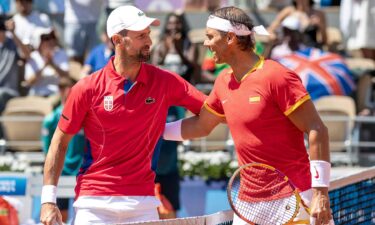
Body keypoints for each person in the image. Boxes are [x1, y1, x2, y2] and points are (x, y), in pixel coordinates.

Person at [164, 6, 333, 225]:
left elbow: (317, 129)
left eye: (210, 37)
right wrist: (152, 131)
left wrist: (321, 193)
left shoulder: (277, 76)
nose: (205, 44)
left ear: (231, 38)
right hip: (247, 205)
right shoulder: (223, 81)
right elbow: (201, 126)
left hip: (294, 196)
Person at [39, 5, 206, 225]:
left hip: (143, 204)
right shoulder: (86, 88)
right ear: (117, 40)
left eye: (148, 34)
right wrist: (48, 201)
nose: (149, 41)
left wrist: (164, 131)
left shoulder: (165, 81)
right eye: (140, 36)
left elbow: (210, 112)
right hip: (93, 204)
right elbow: (59, 144)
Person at [41, 76, 85, 223]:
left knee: (80, 212)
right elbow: (49, 148)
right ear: (60, 90)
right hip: (61, 171)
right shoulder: (51, 119)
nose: (71, 91)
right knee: (61, 213)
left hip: (80, 171)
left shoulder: (84, 117)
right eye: (67, 88)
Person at [151, 11, 198, 83]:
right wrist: (167, 48)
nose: (174, 27)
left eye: (177, 23)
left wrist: (178, 49)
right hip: (164, 82)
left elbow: (192, 66)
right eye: (171, 24)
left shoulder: (189, 44)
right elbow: (154, 66)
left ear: (182, 25)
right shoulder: (160, 44)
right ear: (166, 25)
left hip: (184, 82)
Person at [24, 27, 69, 97]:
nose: (50, 41)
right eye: (46, 38)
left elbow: (66, 77)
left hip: (57, 96)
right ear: (38, 41)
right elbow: (29, 82)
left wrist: (52, 65)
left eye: (52, 37)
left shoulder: (61, 53)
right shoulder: (33, 57)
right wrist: (44, 66)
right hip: (36, 96)